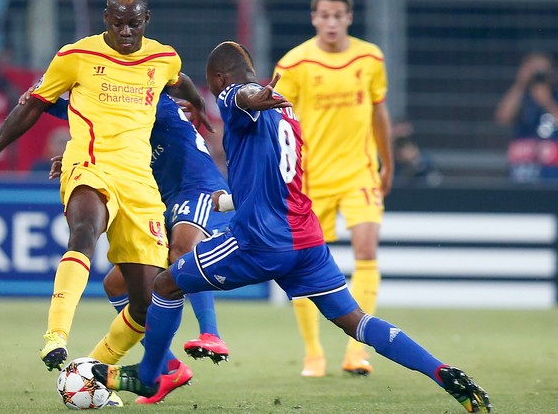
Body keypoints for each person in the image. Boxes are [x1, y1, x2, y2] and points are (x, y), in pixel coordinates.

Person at [90, 41, 491, 413]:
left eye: (214, 87)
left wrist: (247, 96)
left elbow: (241, 96)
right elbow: (277, 176)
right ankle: (442, 372)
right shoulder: (286, 110)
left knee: (165, 285)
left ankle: (149, 375)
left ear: (218, 80)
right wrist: (229, 200)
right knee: (355, 321)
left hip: (260, 241)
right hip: (307, 241)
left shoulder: (236, 95)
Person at [0, 0, 209, 382]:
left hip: (140, 184)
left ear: (146, 21)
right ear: (106, 19)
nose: (126, 32)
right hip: (90, 165)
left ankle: (92, 372)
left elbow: (178, 80)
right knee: (84, 230)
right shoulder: (75, 55)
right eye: (118, 24)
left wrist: (197, 103)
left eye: (133, 24)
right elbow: (31, 105)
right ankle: (55, 336)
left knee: (145, 306)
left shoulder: (163, 58)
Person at [36, 90, 233, 404]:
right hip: (162, 199)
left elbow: (87, 112)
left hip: (198, 189)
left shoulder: (144, 98)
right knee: (116, 284)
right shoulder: (126, 115)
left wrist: (41, 98)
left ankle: (211, 333)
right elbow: (94, 126)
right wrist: (77, 155)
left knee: (182, 251)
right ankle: (167, 367)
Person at [273, 0, 394, 377]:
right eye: (323, 15)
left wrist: (386, 163)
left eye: (337, 15)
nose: (330, 22)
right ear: (314, 18)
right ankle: (313, 354)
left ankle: (357, 350)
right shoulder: (293, 65)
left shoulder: (370, 57)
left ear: (348, 18)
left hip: (359, 171)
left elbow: (379, 112)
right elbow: (277, 124)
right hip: (310, 180)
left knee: (366, 249)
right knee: (303, 265)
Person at [494, 51, 558, 182]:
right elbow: (503, 117)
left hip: (556, 173)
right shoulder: (521, 97)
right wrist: (520, 84)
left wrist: (547, 101)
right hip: (523, 171)